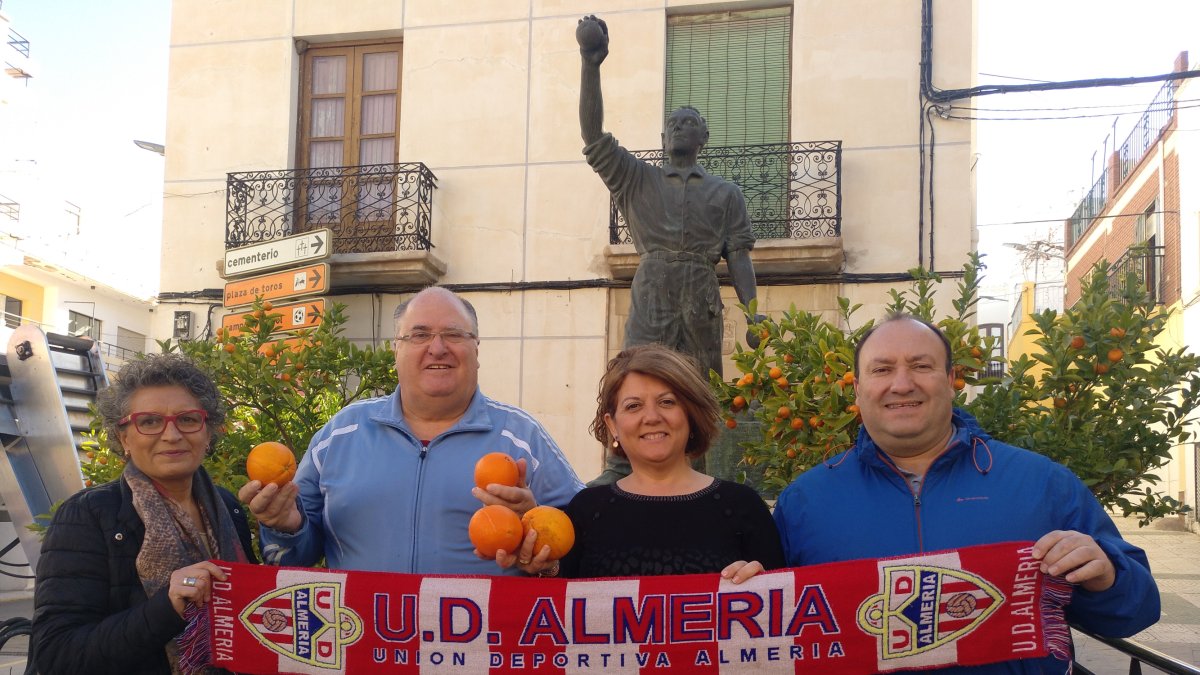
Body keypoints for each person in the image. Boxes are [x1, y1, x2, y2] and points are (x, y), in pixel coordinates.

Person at [772, 314, 1160, 674]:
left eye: (921, 366)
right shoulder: (803, 501)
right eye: (882, 369)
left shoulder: (1043, 483)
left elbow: (1135, 612)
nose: (902, 383)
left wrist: (1105, 574)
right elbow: (770, 637)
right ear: (857, 389)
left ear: (951, 379)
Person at [240, 286, 584, 575]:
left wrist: (537, 538)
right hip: (363, 645)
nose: (437, 347)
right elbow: (293, 558)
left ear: (476, 349)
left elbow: (584, 546)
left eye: (453, 334)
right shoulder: (341, 433)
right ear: (396, 350)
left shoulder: (522, 436)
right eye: (419, 335)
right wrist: (285, 527)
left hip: (480, 651)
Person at [577, 15, 764, 484]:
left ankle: (694, 473)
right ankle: (622, 468)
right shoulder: (635, 178)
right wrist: (590, 63)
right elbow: (593, 135)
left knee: (699, 384)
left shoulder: (726, 194)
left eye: (690, 123)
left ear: (703, 138)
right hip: (654, 284)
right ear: (664, 139)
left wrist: (755, 311)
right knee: (637, 374)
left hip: (700, 291)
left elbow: (739, 256)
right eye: (673, 123)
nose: (681, 127)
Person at [31, 353, 256, 675]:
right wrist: (168, 606)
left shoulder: (226, 506)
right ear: (124, 438)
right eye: (149, 421)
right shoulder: (88, 515)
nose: (172, 434)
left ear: (208, 433)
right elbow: (57, 654)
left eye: (188, 419)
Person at [502, 344, 782, 581]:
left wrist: (763, 583)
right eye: (634, 406)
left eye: (667, 402)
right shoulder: (586, 510)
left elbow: (785, 618)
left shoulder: (743, 506)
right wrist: (543, 563)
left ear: (691, 415)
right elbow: (557, 615)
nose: (651, 417)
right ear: (612, 425)